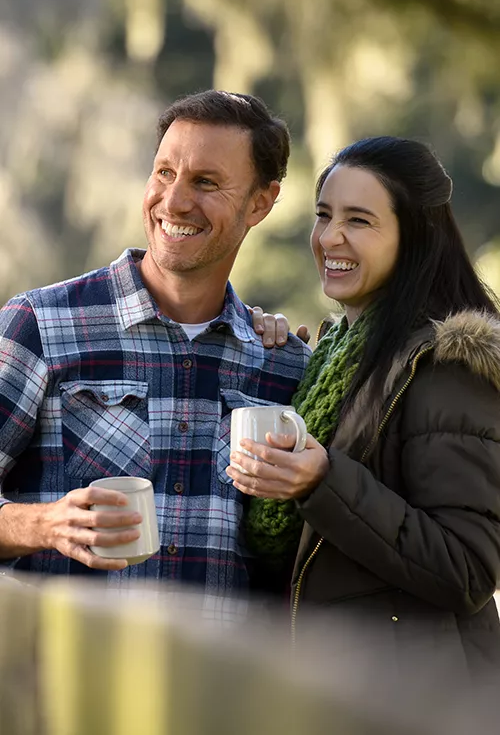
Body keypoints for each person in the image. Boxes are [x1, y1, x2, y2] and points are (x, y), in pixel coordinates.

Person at [0, 90, 310, 597]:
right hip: (73, 673)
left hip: (227, 675)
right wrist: (45, 525)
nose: (175, 201)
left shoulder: (285, 369)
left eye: (205, 182)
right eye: (165, 172)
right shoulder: (40, 326)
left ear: (261, 203)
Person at [227, 136, 500, 673]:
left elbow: (467, 568)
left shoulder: (445, 368)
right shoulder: (334, 362)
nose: (330, 238)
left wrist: (323, 483)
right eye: (324, 215)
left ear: (414, 237)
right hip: (334, 688)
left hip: (420, 703)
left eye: (359, 220)